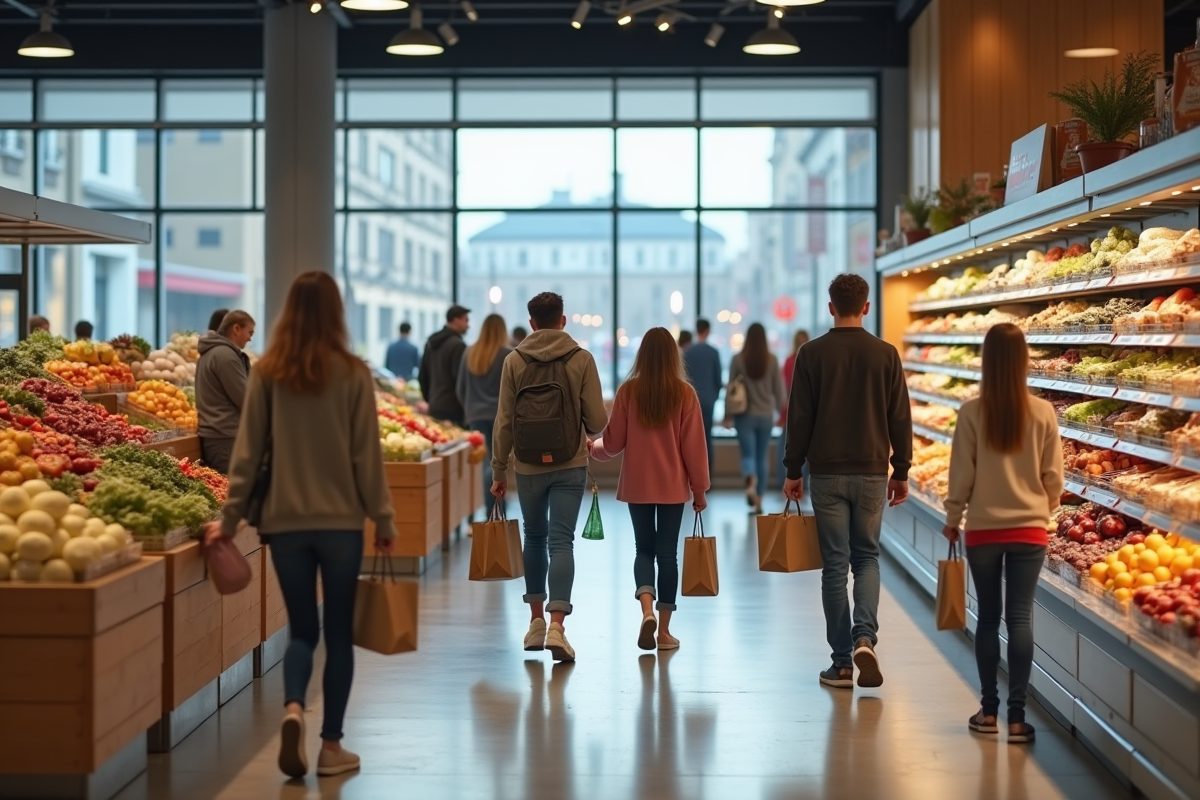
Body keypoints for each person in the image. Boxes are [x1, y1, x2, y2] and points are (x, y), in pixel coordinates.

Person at [208, 272, 395, 780]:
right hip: (339, 524)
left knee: (301, 631)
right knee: (338, 631)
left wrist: (229, 520)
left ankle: (292, 708)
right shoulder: (353, 373)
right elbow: (366, 456)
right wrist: (383, 516)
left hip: (285, 524)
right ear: (336, 312)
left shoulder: (268, 373)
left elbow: (246, 456)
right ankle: (331, 747)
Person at [783, 274, 912, 690]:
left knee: (835, 567)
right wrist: (902, 470)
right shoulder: (886, 354)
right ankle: (865, 639)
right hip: (873, 471)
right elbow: (900, 416)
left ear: (830, 307)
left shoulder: (811, 354)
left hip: (826, 473)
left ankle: (841, 664)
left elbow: (799, 417)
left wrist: (792, 469)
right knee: (867, 559)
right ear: (867, 307)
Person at [942, 323, 1061, 743]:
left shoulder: (971, 412)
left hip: (984, 530)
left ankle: (988, 712)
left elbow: (962, 476)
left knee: (989, 618)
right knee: (1021, 618)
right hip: (1030, 530)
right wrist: (1043, 510)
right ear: (1024, 361)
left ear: (987, 361)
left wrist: (954, 517)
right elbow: (1053, 479)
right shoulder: (1043, 412)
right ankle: (1017, 718)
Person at [491, 292, 607, 663]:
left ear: (531, 323)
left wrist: (497, 471)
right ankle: (558, 626)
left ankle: (536, 623)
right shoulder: (581, 359)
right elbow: (597, 422)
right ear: (563, 320)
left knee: (535, 537)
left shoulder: (514, 361)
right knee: (561, 542)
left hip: (526, 467)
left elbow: (505, 422)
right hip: (570, 462)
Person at [588, 327, 709, 652]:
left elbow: (613, 443)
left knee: (644, 549)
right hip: (672, 487)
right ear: (674, 356)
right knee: (668, 554)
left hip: (638, 485)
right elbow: (694, 450)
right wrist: (700, 491)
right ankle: (664, 631)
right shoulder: (685, 394)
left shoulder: (628, 392)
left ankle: (645, 612)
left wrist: (592, 448)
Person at [726, 323, 786, 514]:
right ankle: (759, 500)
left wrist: (727, 415)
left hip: (744, 415)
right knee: (762, 457)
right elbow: (780, 391)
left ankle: (750, 478)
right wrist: (780, 412)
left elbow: (731, 388)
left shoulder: (738, 359)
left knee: (748, 455)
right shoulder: (772, 360)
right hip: (765, 415)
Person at [457, 313, 511, 518]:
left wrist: (470, 408)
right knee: (498, 463)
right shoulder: (508, 354)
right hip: (501, 417)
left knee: (484, 464)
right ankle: (495, 508)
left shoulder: (470, 353)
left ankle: (486, 509)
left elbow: (460, 388)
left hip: (476, 416)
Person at [196, 310, 255, 475]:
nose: (250, 338)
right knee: (229, 490)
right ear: (236, 329)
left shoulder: (210, 352)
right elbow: (245, 398)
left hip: (215, 435)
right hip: (225, 437)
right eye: (249, 332)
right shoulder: (226, 356)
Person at [682, 318, 722, 472]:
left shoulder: (688, 352)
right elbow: (718, 380)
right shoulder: (713, 353)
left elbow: (684, 378)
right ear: (708, 330)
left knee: (691, 438)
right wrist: (714, 397)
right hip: (708, 401)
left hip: (691, 402)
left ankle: (692, 473)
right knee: (706, 438)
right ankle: (707, 474)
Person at [419, 305, 470, 424]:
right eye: (466, 320)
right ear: (455, 320)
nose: (468, 325)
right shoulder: (458, 346)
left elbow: (422, 376)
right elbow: (460, 380)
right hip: (454, 408)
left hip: (435, 405)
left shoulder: (430, 343)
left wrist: (430, 399)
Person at [778, 329, 810, 489]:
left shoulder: (790, 361)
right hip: (806, 410)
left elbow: (784, 388)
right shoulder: (811, 359)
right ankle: (801, 479)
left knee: (788, 446)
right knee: (805, 448)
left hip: (791, 409)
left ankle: (787, 478)